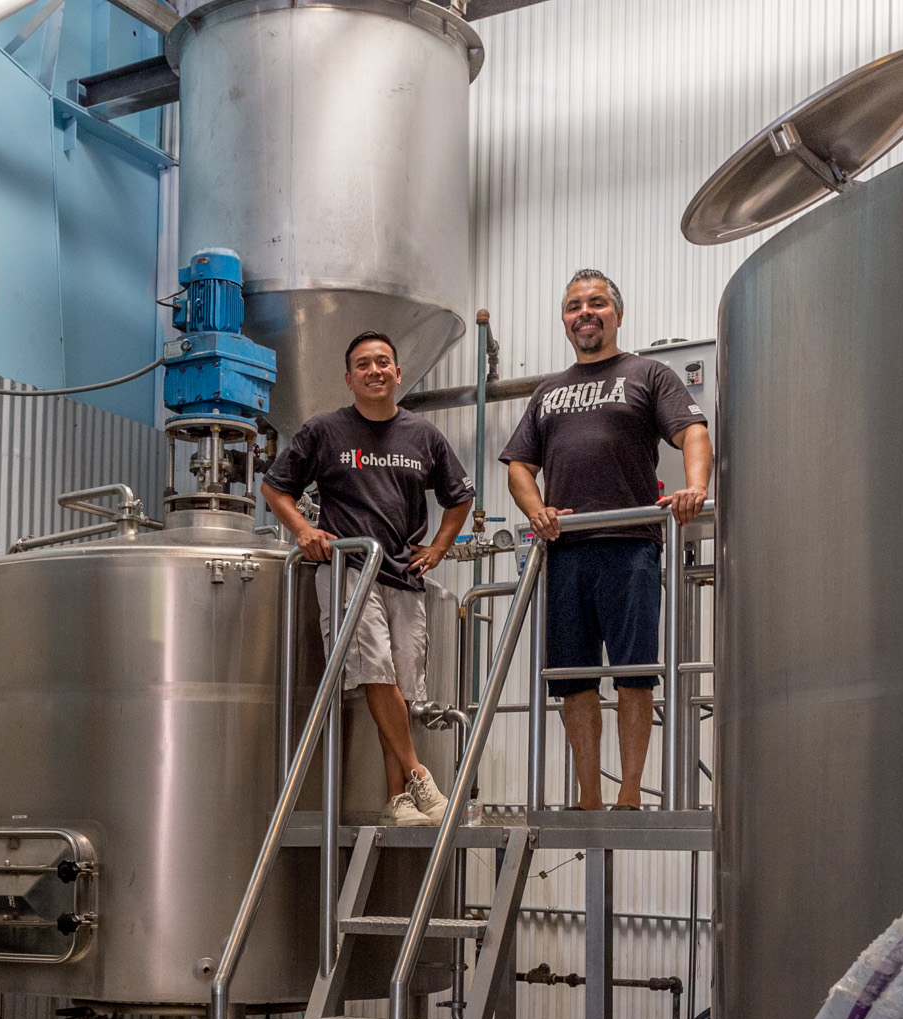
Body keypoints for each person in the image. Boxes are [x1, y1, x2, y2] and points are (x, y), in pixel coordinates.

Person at [501, 269, 711, 810]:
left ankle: (631, 792)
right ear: (564, 320)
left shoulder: (648, 374)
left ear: (617, 313)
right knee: (573, 679)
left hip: (630, 543)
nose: (585, 313)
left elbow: (692, 431)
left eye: (596, 303)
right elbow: (519, 465)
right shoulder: (547, 392)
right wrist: (536, 509)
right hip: (565, 550)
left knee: (634, 673)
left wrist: (696, 486)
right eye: (574, 306)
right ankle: (589, 795)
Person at [262, 331, 475, 826]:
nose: (374, 371)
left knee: (401, 687)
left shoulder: (424, 436)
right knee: (377, 672)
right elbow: (275, 488)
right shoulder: (325, 431)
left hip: (404, 573)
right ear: (348, 378)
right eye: (363, 365)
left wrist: (439, 547)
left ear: (398, 373)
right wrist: (303, 530)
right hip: (350, 569)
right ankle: (420, 775)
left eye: (382, 363)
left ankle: (397, 799)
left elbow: (460, 497)